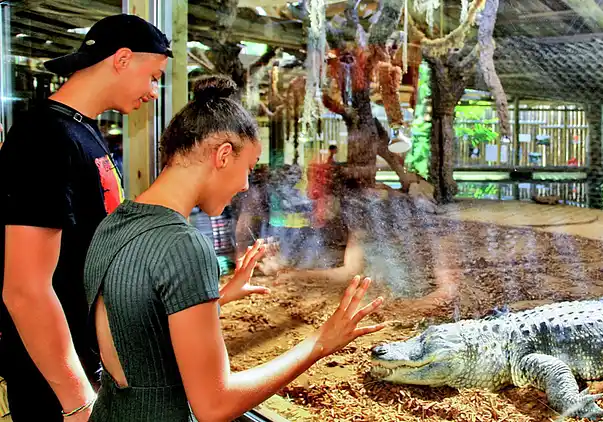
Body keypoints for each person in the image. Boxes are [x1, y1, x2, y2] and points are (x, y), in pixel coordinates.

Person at [82, 75, 387, 421]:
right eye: (248, 169)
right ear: (223, 155)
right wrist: (321, 342)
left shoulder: (117, 221)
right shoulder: (183, 244)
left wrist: (218, 295)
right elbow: (215, 405)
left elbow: (134, 318)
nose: (244, 185)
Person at [0, 14, 172, 422]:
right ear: (123, 59)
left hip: (90, 358)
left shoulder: (82, 130)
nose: (154, 92)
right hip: (55, 381)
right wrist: (78, 400)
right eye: (153, 76)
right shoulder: (44, 136)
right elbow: (24, 289)